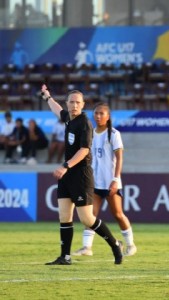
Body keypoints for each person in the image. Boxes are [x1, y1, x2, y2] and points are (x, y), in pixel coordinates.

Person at [40, 84, 123, 265]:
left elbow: (85, 150)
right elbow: (57, 110)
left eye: (78, 102)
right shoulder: (69, 118)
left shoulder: (85, 123)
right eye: (72, 102)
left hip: (81, 175)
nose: (75, 105)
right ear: (68, 104)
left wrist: (65, 166)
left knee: (87, 218)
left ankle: (115, 244)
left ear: (83, 104)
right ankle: (65, 257)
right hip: (67, 175)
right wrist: (47, 96)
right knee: (64, 216)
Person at [72, 103, 137, 257]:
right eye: (96, 113)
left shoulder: (113, 134)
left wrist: (115, 179)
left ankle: (130, 244)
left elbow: (119, 158)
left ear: (108, 117)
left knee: (118, 214)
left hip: (110, 182)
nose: (98, 116)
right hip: (93, 181)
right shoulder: (90, 133)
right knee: (90, 215)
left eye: (102, 113)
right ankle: (86, 247)